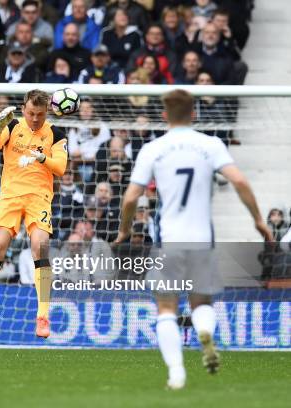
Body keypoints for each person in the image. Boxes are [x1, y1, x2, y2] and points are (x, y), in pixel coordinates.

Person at [115, 89, 273, 390]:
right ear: (193, 114)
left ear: (164, 115)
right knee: (201, 302)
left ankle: (176, 373)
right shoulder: (210, 145)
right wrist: (258, 220)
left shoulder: (153, 149)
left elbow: (132, 196)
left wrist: (124, 230)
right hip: (202, 239)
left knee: (166, 309)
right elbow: (238, 180)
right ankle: (204, 332)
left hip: (168, 239)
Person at [0, 89, 68, 340]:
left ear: (47, 112)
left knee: (40, 246)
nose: (35, 119)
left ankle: (42, 316)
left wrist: (43, 157)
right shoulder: (12, 126)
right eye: (31, 113)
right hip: (10, 195)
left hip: (39, 197)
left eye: (40, 115)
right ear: (24, 109)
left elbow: (61, 168)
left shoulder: (56, 133)